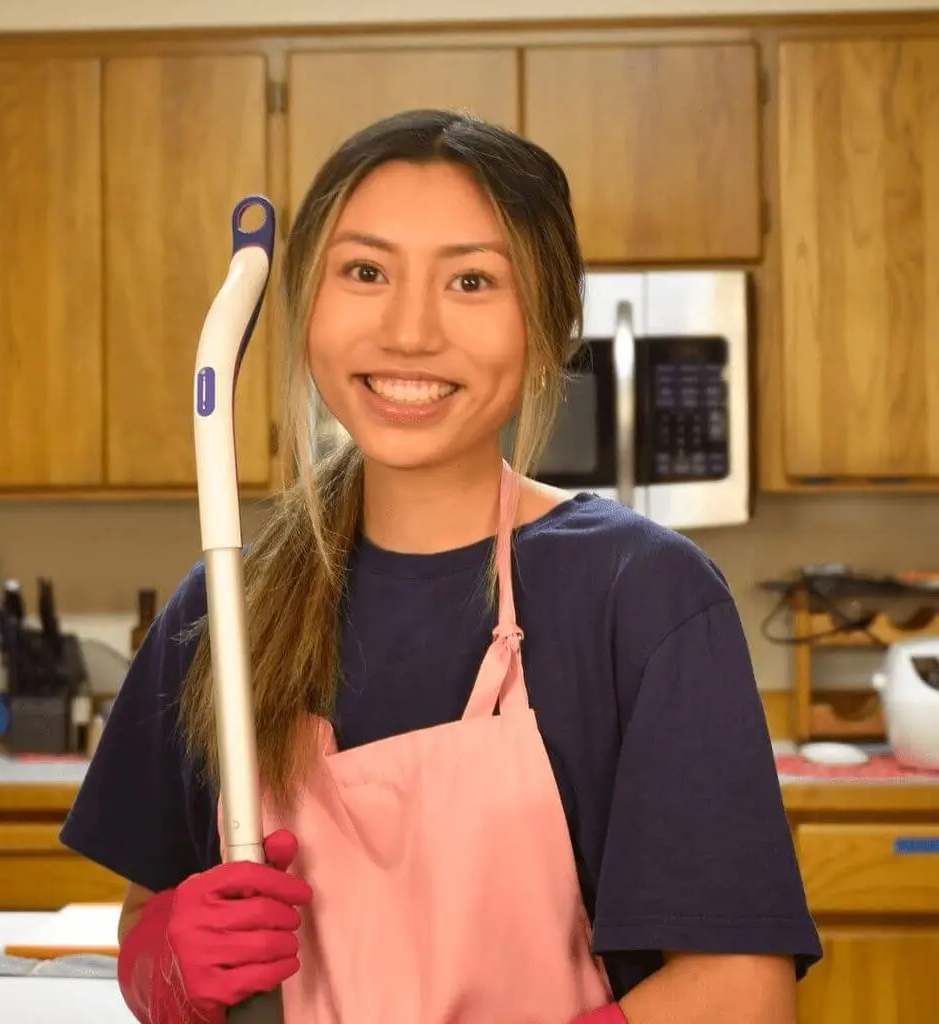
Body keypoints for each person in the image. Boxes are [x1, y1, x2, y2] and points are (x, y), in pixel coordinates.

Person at [61, 108, 822, 1024]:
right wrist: (170, 960)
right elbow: (144, 925)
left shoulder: (643, 596)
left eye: (471, 280)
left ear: (545, 326)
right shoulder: (225, 606)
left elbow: (740, 991)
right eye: (366, 272)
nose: (410, 331)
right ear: (308, 307)